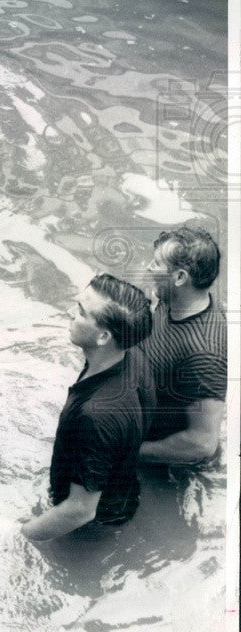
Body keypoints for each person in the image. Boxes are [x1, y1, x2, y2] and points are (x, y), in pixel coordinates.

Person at [21, 274, 153, 542]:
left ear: (104, 336)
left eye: (81, 312)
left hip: (93, 526)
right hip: (122, 492)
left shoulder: (94, 417)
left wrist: (19, 535)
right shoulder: (133, 355)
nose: (70, 312)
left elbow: (79, 511)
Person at [138, 226, 226, 466]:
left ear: (179, 278)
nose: (148, 267)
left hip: (161, 457)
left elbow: (202, 444)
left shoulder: (204, 355)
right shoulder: (171, 296)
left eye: (156, 263)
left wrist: (128, 452)